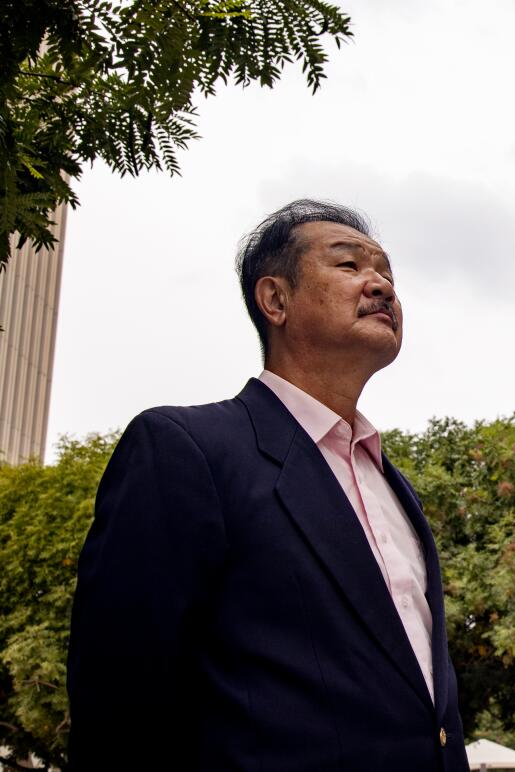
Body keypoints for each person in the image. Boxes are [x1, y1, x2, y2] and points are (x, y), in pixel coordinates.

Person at [68, 200, 470, 771]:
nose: (379, 284)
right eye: (350, 266)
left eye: (387, 273)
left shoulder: (395, 487)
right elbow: (118, 698)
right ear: (275, 300)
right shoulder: (186, 448)